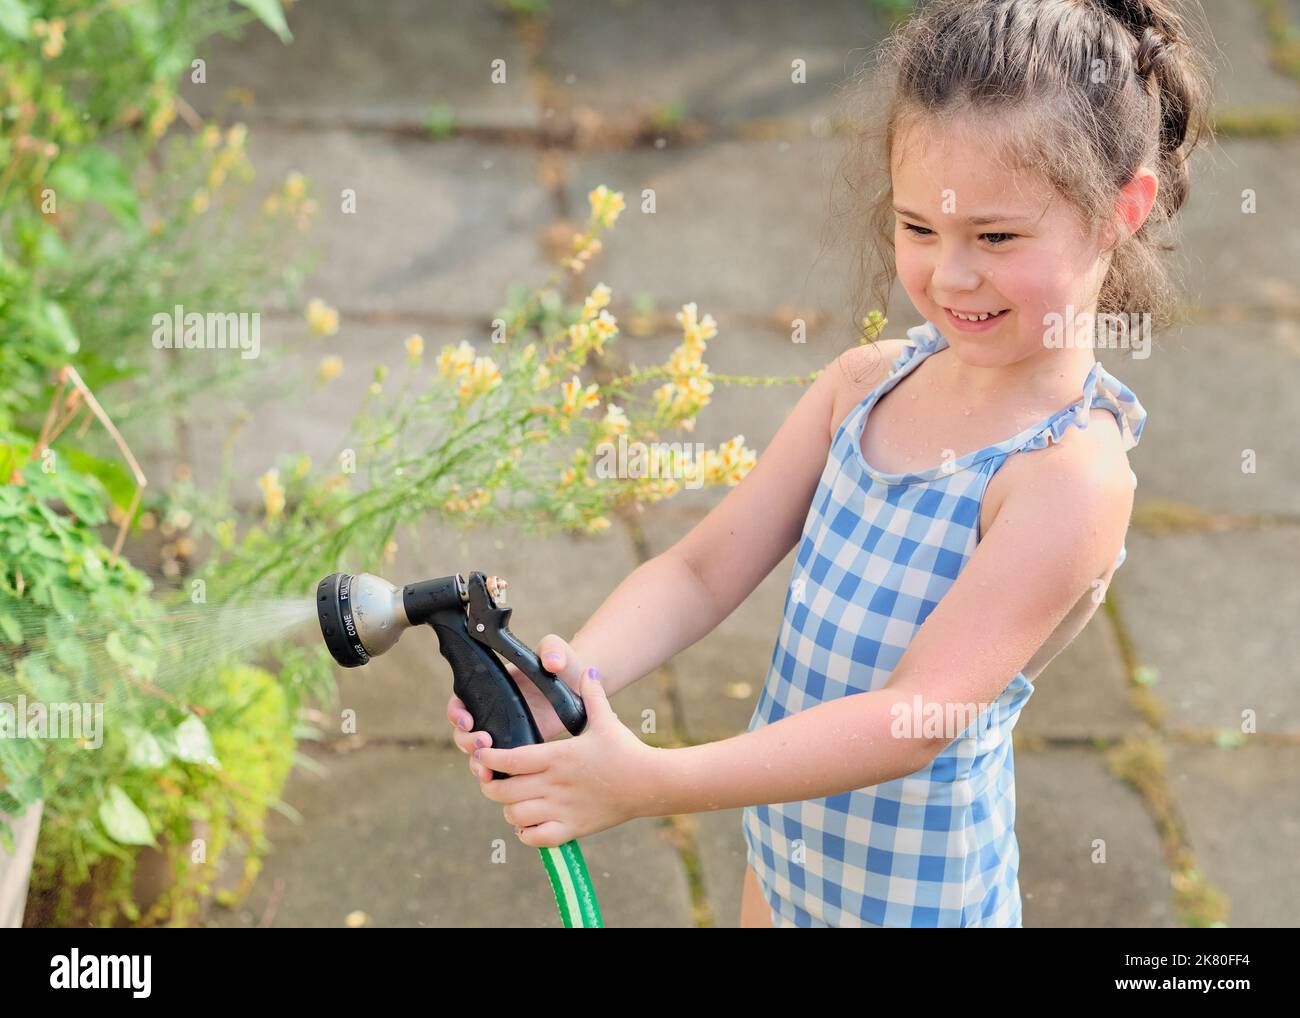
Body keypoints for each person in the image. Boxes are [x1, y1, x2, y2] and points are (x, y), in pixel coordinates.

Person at [447, 0, 1212, 927]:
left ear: (1118, 213)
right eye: (920, 229)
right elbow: (699, 570)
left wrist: (648, 783)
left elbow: (908, 720)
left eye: (997, 238)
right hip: (783, 862)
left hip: (916, 903)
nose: (950, 276)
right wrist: (570, 681)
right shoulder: (866, 385)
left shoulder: (1066, 479)